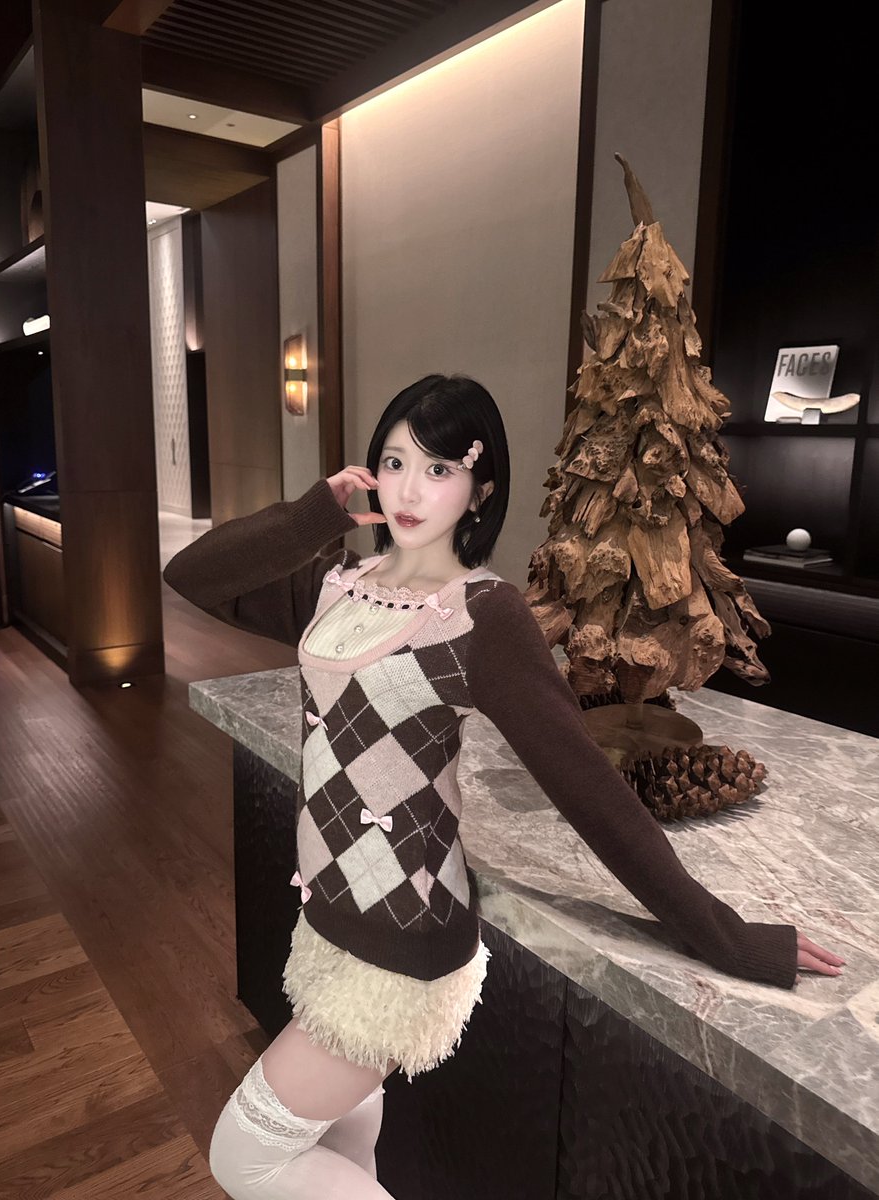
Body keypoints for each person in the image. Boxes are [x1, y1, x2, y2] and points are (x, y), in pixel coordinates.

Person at [162, 374, 846, 1199]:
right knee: (343, 1136)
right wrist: (315, 514)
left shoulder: (483, 616)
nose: (409, 490)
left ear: (480, 490)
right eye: (394, 462)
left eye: (439, 469)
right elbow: (192, 574)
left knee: (246, 1155)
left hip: (402, 938)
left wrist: (723, 935)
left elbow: (585, 786)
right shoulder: (337, 585)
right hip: (329, 918)